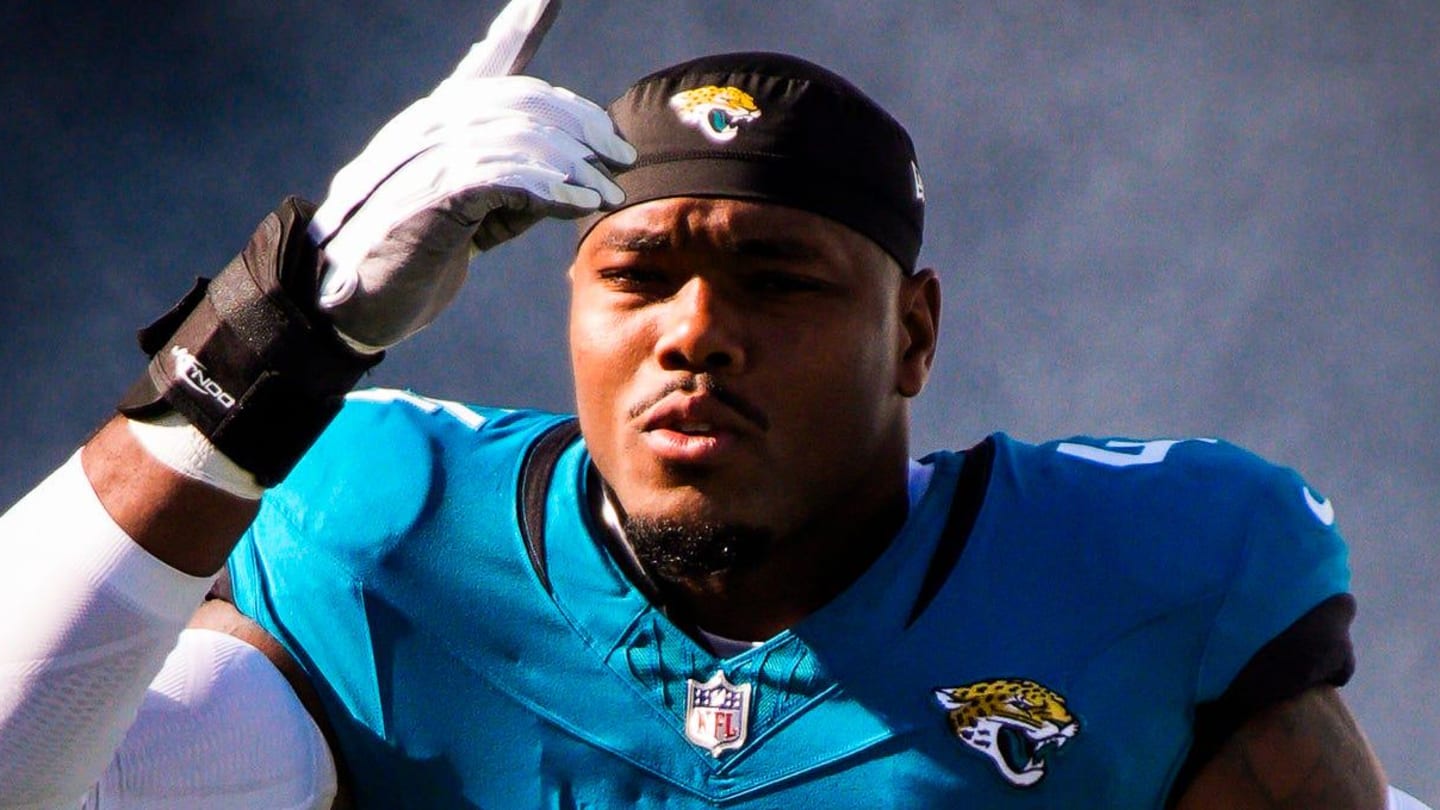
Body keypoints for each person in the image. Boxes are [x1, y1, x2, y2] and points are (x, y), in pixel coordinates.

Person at [0, 0, 1422, 807]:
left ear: (913, 335)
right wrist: (269, 344)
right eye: (640, 272)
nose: (696, 334)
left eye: (777, 281)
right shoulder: (379, 540)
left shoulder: (1147, 579)